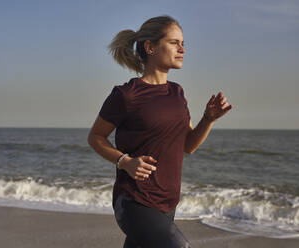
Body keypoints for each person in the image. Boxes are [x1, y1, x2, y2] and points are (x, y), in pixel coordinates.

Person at [87, 15, 232, 248]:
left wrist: (208, 119)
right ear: (150, 47)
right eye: (175, 43)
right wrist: (125, 161)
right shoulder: (127, 94)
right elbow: (95, 137)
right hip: (134, 202)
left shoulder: (177, 93)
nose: (182, 49)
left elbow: (188, 146)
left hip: (167, 204)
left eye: (183, 43)